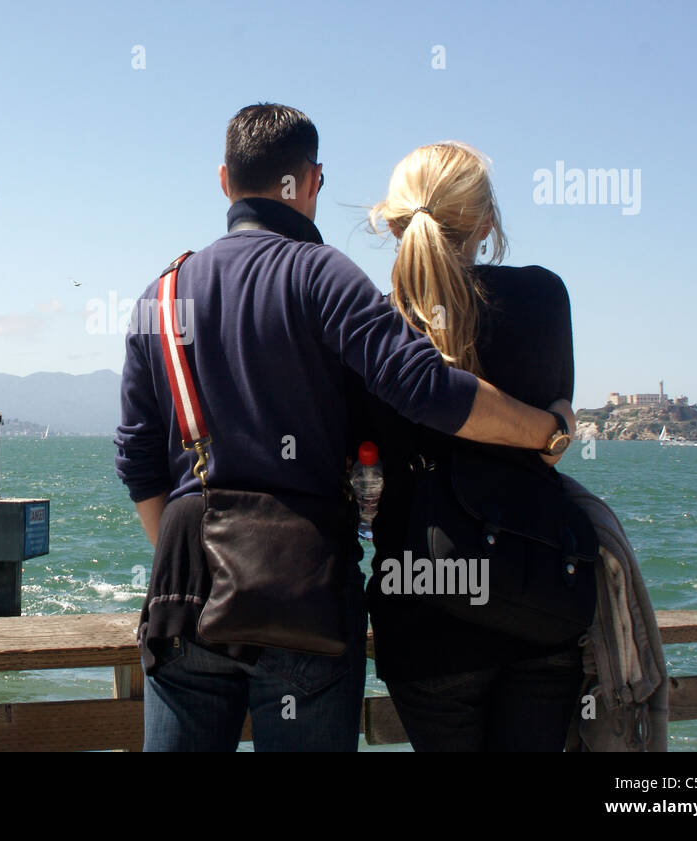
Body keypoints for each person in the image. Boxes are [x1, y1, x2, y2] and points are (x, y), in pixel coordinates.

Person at [115, 104, 575, 752]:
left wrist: (193, 554)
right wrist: (547, 430)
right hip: (302, 579)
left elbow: (137, 457)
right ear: (312, 182)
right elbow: (424, 387)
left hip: (184, 585)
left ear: (225, 180)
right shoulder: (325, 276)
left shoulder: (160, 297)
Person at [358, 141, 580, 751]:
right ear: (485, 220)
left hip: (423, 615)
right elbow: (554, 436)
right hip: (540, 600)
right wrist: (559, 422)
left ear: (395, 219)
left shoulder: (374, 326)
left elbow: (361, 468)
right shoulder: (542, 298)